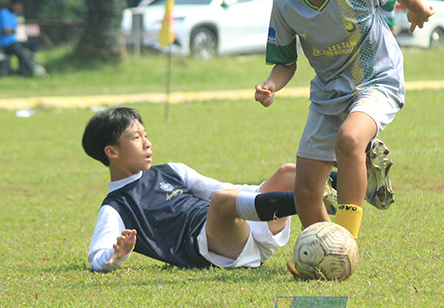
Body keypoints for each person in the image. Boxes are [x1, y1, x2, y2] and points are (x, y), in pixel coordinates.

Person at [254, 0, 434, 277]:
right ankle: (322, 257)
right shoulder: (286, 5)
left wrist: (417, 9)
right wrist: (272, 84)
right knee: (305, 192)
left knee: (350, 141)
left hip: (377, 80)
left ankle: (346, 244)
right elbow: (286, 62)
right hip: (328, 94)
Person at [83, 106, 299, 271]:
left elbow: (223, 188)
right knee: (222, 200)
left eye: (146, 135)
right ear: (112, 152)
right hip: (218, 249)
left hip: (246, 228)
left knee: (288, 173)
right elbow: (98, 256)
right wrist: (118, 254)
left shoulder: (171, 170)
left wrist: (267, 191)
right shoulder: (116, 206)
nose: (147, 143)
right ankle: (306, 201)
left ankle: (327, 196)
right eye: (136, 137)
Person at [0, 0, 43, 77]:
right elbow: (6, 31)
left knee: (35, 43)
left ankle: (27, 63)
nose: (18, 7)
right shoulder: (3, 13)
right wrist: (18, 30)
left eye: (20, 5)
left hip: (14, 41)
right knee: (19, 50)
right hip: (6, 43)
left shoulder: (14, 16)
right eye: (17, 5)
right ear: (11, 4)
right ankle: (32, 69)